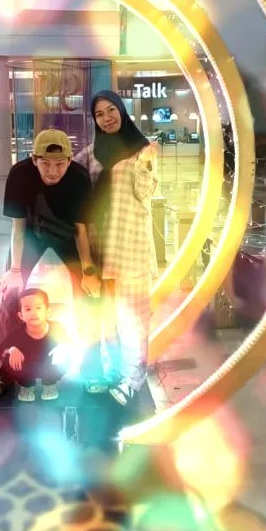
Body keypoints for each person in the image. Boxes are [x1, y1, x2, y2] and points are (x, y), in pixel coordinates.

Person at [0, 129, 100, 396]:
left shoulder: (79, 178)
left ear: (70, 161)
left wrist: (88, 271)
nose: (52, 171)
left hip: (68, 238)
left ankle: (91, 367)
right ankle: (5, 369)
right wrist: (14, 271)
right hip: (30, 236)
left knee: (90, 295)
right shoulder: (20, 174)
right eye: (45, 163)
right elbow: (17, 228)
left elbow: (82, 231)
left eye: (59, 164)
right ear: (34, 159)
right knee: (11, 294)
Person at [75, 91, 158, 405]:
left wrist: (147, 166)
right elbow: (72, 181)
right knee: (107, 318)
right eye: (99, 114)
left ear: (122, 111)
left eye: (112, 110)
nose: (107, 117)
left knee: (134, 320)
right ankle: (113, 371)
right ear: (94, 119)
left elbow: (145, 192)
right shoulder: (91, 154)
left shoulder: (142, 150)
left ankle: (133, 378)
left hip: (130, 245)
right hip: (101, 246)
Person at [0, 288, 69, 401]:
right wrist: (12, 349)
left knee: (64, 354)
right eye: (28, 309)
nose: (34, 313)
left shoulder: (57, 328)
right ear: (21, 316)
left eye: (38, 308)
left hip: (48, 364)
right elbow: (3, 347)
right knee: (10, 356)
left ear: (47, 312)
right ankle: (27, 385)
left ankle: (49, 384)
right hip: (28, 365)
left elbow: (70, 342)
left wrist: (62, 348)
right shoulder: (16, 333)